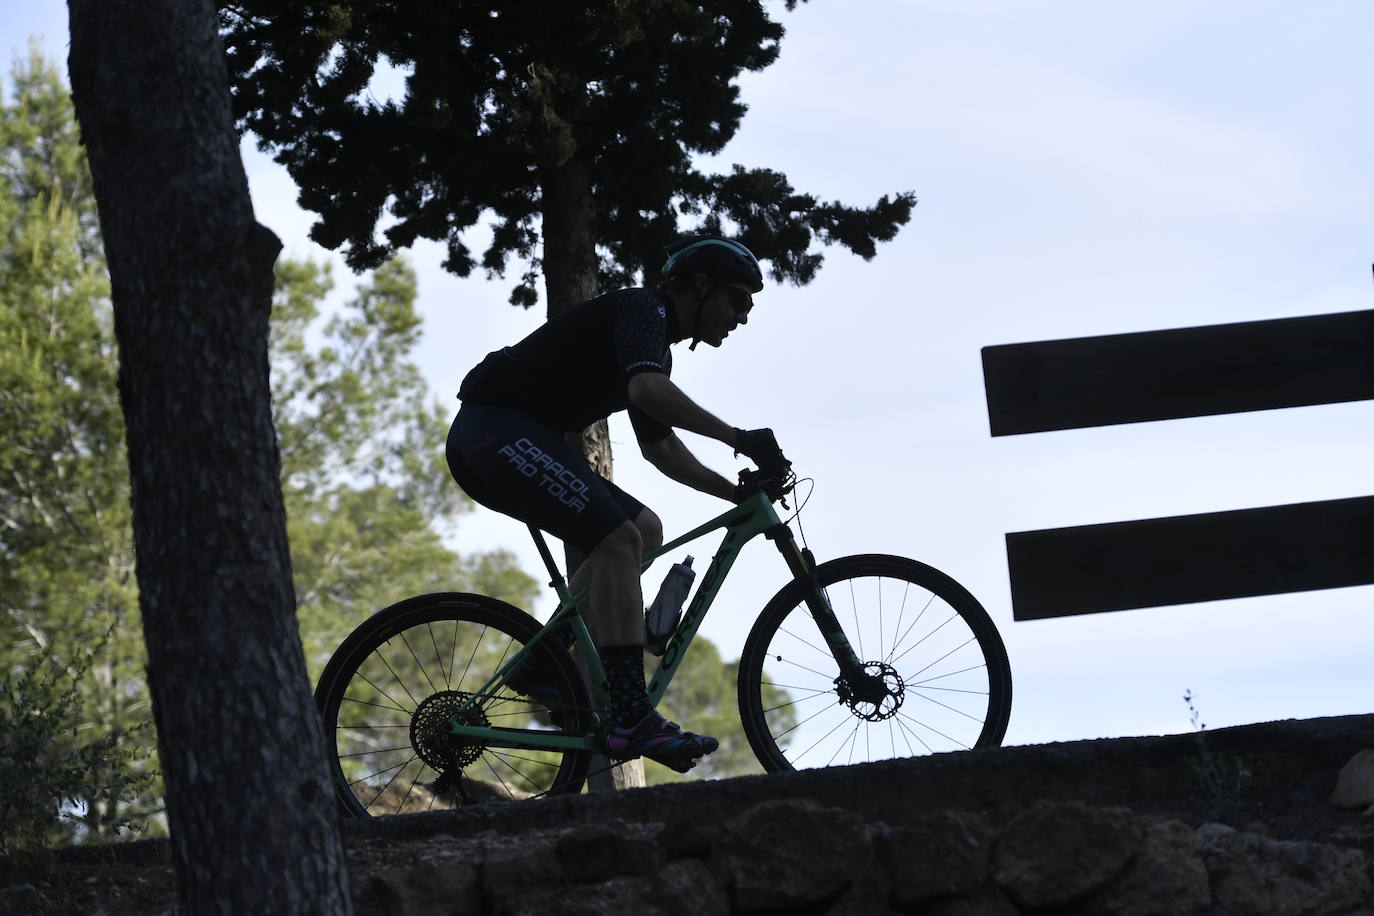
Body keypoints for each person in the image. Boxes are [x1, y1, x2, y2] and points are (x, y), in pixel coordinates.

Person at [445, 235, 789, 772]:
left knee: (643, 530)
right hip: (492, 431)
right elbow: (649, 394)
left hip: (512, 437)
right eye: (737, 301)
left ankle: (542, 660)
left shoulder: (654, 346)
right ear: (700, 287)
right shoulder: (640, 308)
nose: (742, 317)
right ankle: (631, 716)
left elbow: (660, 449)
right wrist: (739, 438)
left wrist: (736, 492)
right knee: (618, 539)